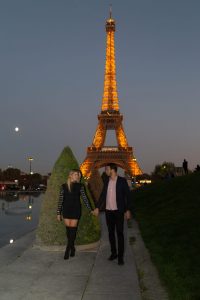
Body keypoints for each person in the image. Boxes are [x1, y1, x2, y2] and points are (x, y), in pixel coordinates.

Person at [93, 163, 132, 266]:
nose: (105, 170)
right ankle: (114, 253)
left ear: (113, 170)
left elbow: (128, 196)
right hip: (108, 211)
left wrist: (127, 210)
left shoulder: (122, 181)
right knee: (110, 233)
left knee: (119, 233)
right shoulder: (106, 181)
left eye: (106, 169)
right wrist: (97, 207)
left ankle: (120, 257)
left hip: (118, 211)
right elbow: (102, 196)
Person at [57, 169, 94, 260]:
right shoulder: (64, 186)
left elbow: (85, 198)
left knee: (72, 231)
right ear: (70, 175)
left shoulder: (80, 186)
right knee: (68, 231)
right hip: (66, 210)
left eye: (78, 175)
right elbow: (61, 200)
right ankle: (72, 247)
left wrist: (90, 210)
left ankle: (67, 249)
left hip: (75, 210)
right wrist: (58, 213)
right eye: (75, 174)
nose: (77, 176)